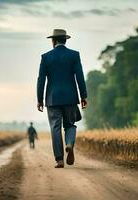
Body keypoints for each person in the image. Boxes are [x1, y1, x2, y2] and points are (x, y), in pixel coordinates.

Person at [37, 29, 87, 168]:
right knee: (70, 125)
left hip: (52, 99)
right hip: (70, 97)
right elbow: (80, 77)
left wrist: (40, 99)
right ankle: (69, 144)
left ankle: (59, 159)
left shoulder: (46, 57)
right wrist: (84, 96)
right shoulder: (74, 55)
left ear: (53, 41)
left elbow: (41, 80)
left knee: (55, 127)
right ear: (65, 40)